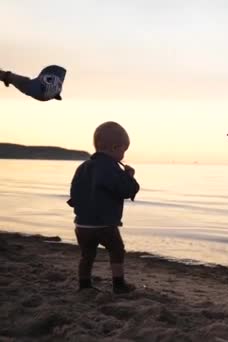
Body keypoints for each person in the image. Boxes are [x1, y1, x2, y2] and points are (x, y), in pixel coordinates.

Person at [67, 121, 139, 294]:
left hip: (82, 224)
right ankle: (119, 284)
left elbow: (74, 192)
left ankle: (84, 285)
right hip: (104, 224)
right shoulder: (111, 168)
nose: (123, 155)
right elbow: (125, 190)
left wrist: (80, 210)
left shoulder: (83, 167)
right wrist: (129, 176)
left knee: (87, 255)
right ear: (114, 147)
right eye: (123, 150)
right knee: (116, 250)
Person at [0, 65, 65, 101]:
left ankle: (5, 76)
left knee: (24, 84)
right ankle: (6, 76)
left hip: (41, 91)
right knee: (25, 82)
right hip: (45, 93)